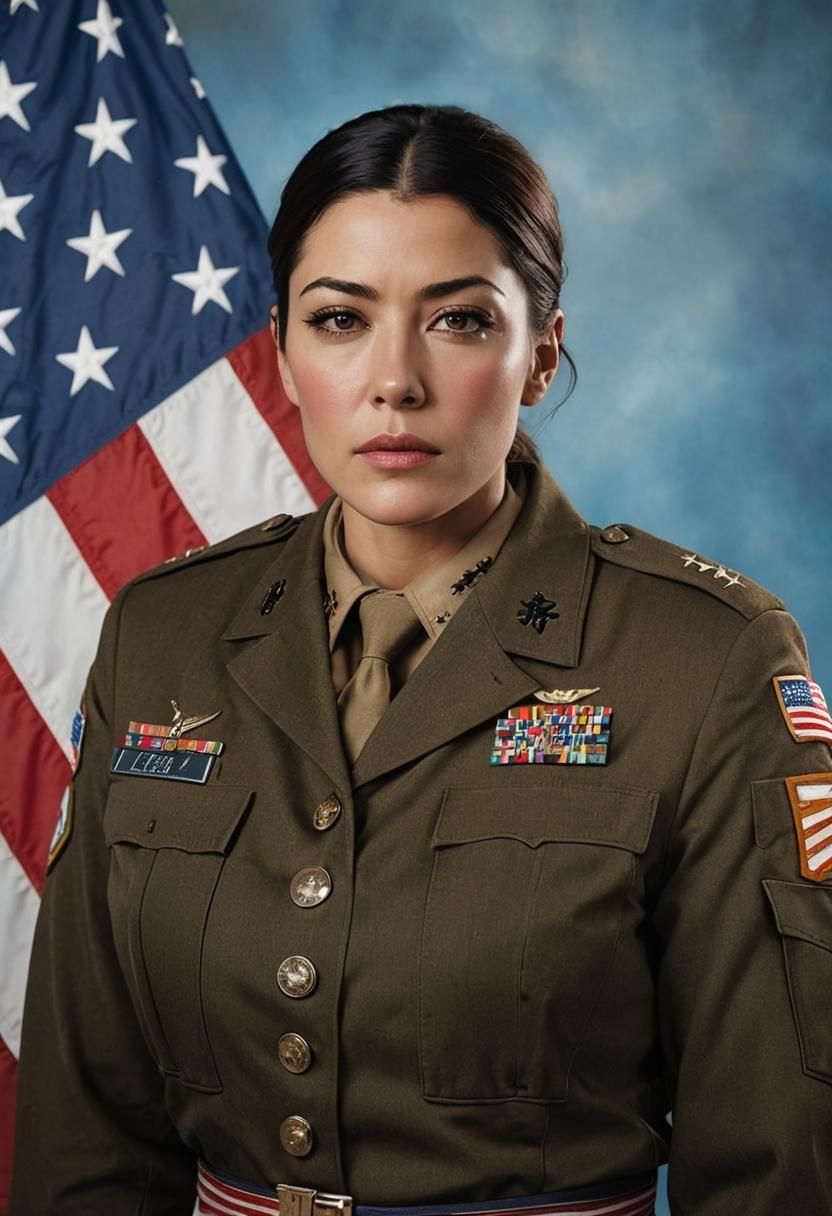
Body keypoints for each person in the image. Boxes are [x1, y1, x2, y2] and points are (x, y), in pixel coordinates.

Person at [9, 103, 832, 1216]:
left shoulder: (704, 661)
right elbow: (86, 1135)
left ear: (541, 353)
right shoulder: (164, 635)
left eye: (457, 320)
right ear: (282, 352)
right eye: (340, 319)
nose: (393, 379)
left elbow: (775, 1164)